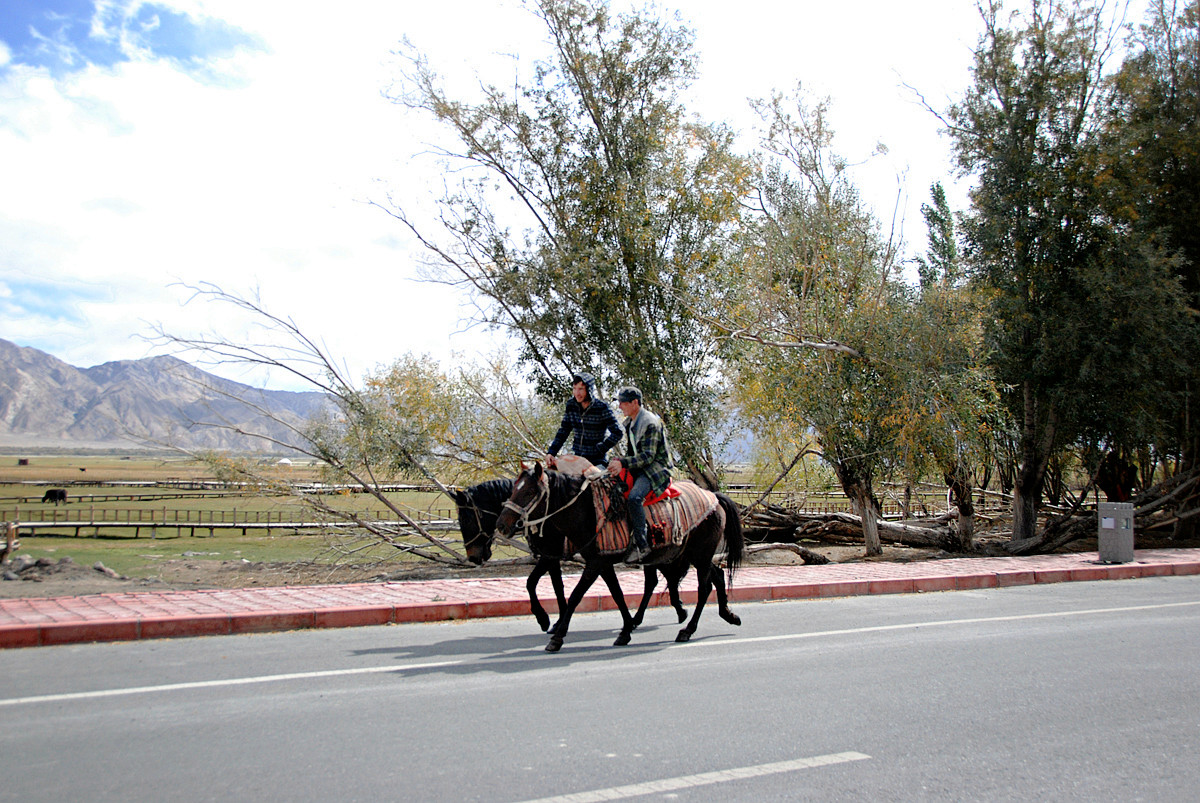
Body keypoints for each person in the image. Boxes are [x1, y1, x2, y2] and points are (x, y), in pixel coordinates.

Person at [607, 386, 672, 563]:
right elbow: (632, 454)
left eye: (623, 402)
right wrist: (618, 463)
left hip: (654, 469)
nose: (620, 406)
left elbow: (648, 457)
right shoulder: (631, 423)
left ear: (635, 403)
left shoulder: (650, 423)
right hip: (640, 467)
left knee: (635, 497)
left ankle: (642, 544)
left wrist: (623, 463)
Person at [546, 372, 623, 468]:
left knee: (596, 481)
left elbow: (618, 432)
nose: (577, 393)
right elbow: (563, 431)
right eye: (574, 389)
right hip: (577, 460)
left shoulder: (602, 407)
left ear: (589, 389)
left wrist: (601, 448)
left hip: (597, 461)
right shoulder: (571, 405)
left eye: (581, 389)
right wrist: (551, 452)